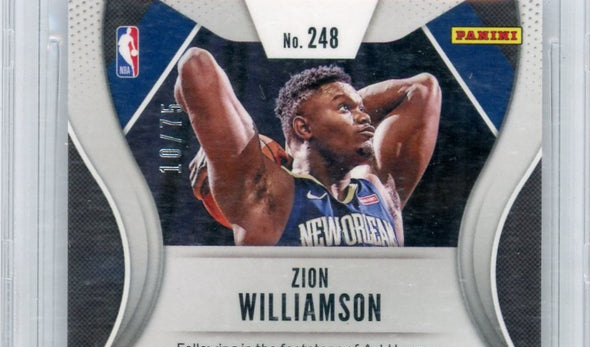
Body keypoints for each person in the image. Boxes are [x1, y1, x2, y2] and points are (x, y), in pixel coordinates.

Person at [174, 48, 441, 247]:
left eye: (361, 108)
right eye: (345, 108)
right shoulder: (267, 194)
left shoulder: (381, 191)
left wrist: (335, 112)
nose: (364, 117)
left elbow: (423, 88)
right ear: (304, 128)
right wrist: (217, 144)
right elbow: (196, 65)